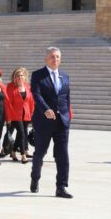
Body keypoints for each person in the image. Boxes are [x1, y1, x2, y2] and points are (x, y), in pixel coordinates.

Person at [30, 46, 73, 199]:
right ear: (46, 59)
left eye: (58, 57)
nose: (56, 60)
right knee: (40, 153)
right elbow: (36, 94)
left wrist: (68, 115)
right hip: (43, 122)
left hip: (62, 122)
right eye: (53, 57)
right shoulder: (38, 75)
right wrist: (45, 109)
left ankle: (61, 187)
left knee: (63, 155)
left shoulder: (65, 76)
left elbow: (66, 98)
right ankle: (35, 178)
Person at [6, 67, 34, 163]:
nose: (19, 77)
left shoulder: (27, 87)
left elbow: (31, 102)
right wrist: (8, 117)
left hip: (25, 114)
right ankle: (23, 155)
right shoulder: (10, 87)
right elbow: (8, 103)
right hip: (15, 115)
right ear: (14, 77)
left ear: (24, 76)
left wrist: (31, 113)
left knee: (20, 135)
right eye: (17, 75)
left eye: (21, 75)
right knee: (22, 133)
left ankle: (13, 151)